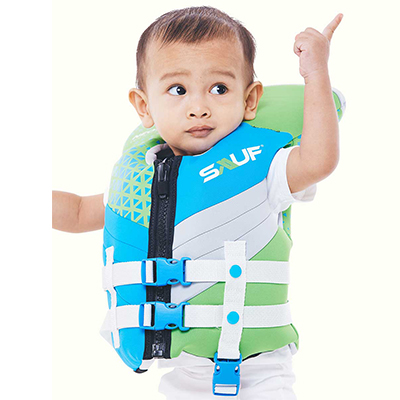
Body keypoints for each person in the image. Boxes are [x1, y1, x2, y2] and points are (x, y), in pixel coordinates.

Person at [53, 6, 343, 399]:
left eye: (219, 89)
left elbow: (320, 160)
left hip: (263, 375)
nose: (199, 107)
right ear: (144, 106)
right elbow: (76, 212)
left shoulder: (266, 167)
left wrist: (316, 73)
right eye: (178, 90)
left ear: (250, 99)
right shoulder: (142, 183)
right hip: (184, 377)